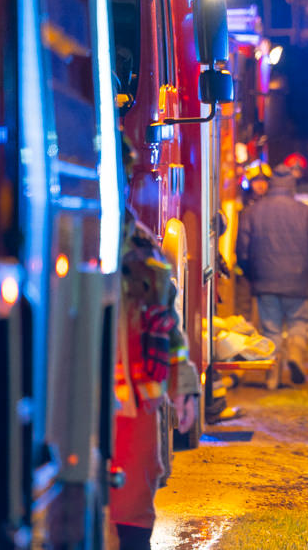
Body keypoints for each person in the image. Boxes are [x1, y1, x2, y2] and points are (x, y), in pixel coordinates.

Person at [110, 209, 200, 549]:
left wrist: (183, 388)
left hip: (135, 412)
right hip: (89, 410)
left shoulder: (145, 255)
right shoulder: (73, 241)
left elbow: (167, 327)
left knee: (133, 505)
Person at [236, 163, 308, 388]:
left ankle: (272, 377)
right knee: (298, 322)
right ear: (291, 186)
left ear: (271, 185)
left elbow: (243, 249)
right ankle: (295, 355)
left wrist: (252, 275)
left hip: (265, 281)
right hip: (298, 280)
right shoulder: (306, 212)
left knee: (271, 329)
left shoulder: (252, 212)